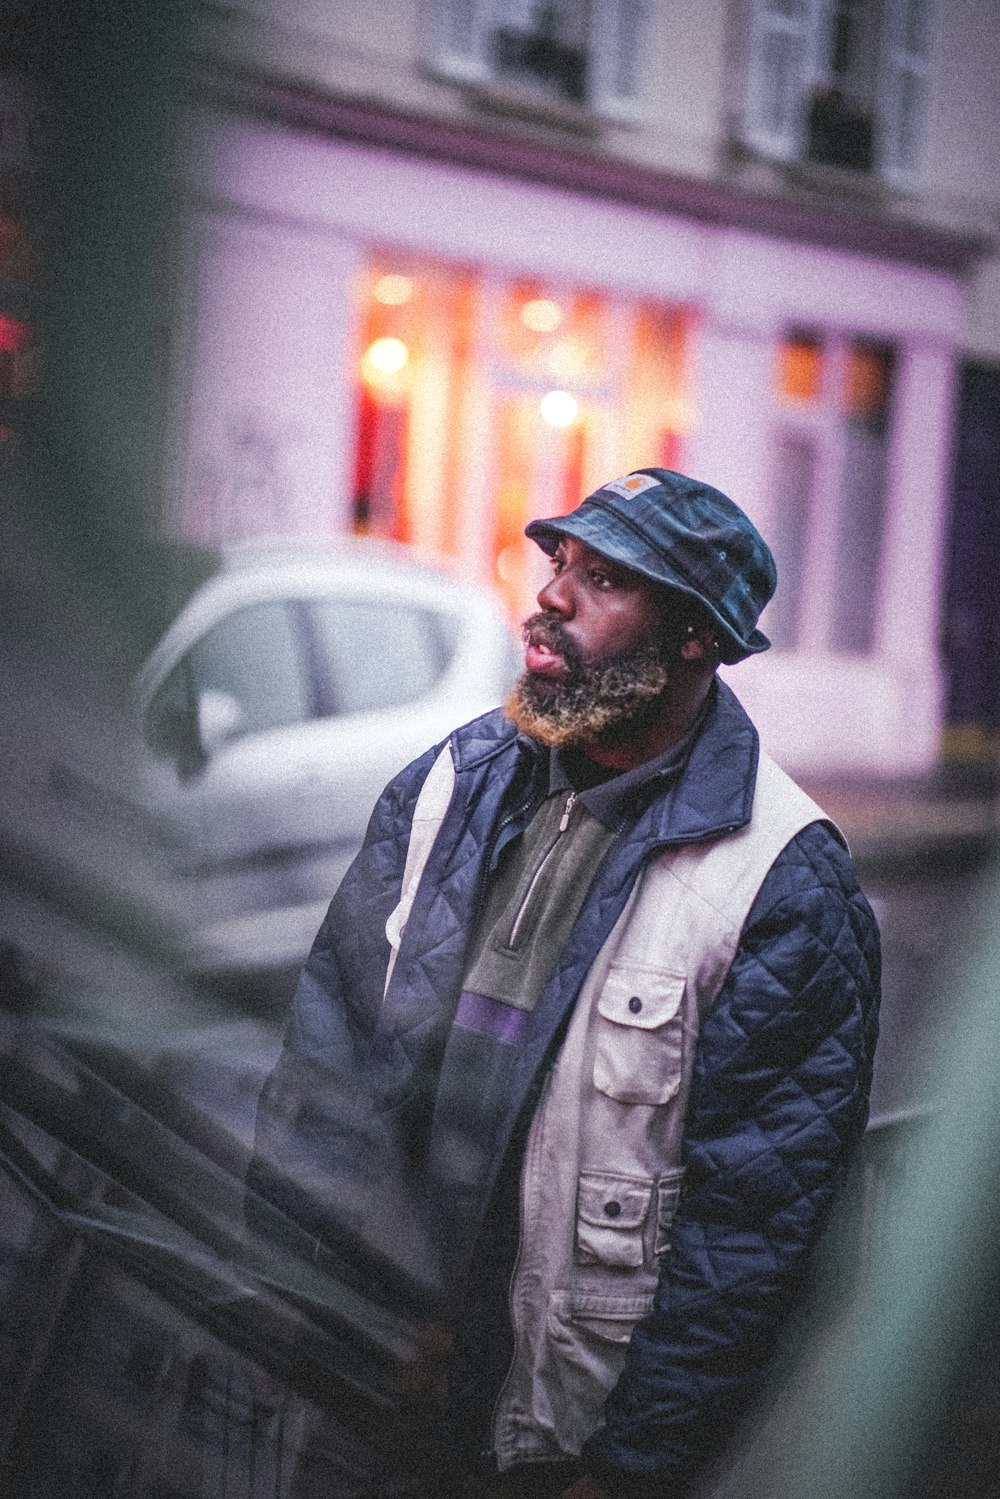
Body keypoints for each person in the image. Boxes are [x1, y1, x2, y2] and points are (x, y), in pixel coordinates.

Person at [247, 468, 881, 1499]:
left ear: (694, 633)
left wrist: (634, 1466)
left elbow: (754, 1240)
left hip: (557, 1436)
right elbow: (325, 1050)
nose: (551, 593)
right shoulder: (446, 783)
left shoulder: (782, 881)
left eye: (606, 578)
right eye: (558, 562)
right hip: (370, 1371)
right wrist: (290, 1295)